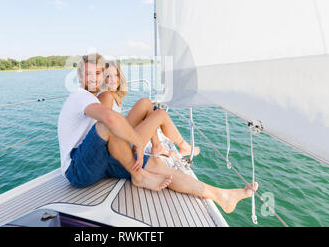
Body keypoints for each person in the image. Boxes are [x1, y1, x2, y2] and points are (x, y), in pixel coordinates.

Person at [57, 53, 258, 214]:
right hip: (77, 169)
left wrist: (136, 144)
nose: (94, 78)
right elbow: (110, 121)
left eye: (98, 73)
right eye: (88, 74)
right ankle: (139, 175)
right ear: (80, 77)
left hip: (100, 160)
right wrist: (137, 143)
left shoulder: (97, 98)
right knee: (108, 123)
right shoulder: (79, 96)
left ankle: (221, 196)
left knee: (157, 165)